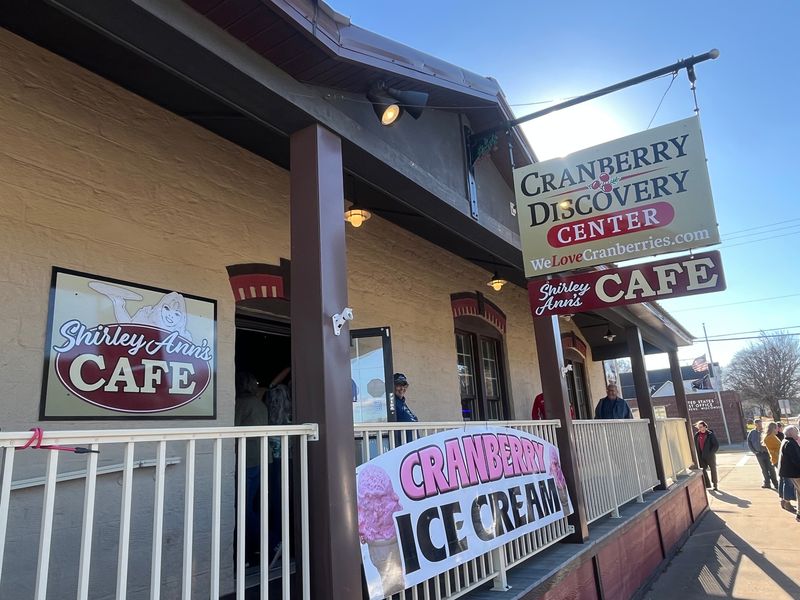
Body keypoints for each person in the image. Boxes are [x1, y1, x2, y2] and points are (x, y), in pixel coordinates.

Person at [234, 370, 268, 567]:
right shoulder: (260, 404)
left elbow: (232, 426)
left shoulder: (241, 404)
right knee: (251, 506)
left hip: (246, 461)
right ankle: (257, 547)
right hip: (261, 459)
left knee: (243, 508)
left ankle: (269, 542)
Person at [748, 419, 778, 489]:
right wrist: (754, 451)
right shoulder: (752, 433)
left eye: (760, 424)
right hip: (759, 454)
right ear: (755, 425)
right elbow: (749, 442)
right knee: (764, 469)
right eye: (757, 424)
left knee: (771, 469)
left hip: (767, 453)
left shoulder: (765, 431)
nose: (759, 426)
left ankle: (776, 484)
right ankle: (767, 483)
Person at [778, 425, 800, 521]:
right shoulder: (790, 443)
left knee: (798, 492)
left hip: (791, 473)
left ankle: (799, 513)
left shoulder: (786, 441)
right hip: (794, 473)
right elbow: (796, 460)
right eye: (796, 432)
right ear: (791, 433)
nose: (797, 434)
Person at [694, 421, 720, 491]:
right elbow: (695, 445)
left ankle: (715, 485)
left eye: (702, 427)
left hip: (710, 456)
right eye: (699, 427)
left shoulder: (710, 434)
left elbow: (716, 445)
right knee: (703, 470)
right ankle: (707, 485)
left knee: (713, 470)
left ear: (705, 426)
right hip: (701, 456)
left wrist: (711, 453)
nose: (701, 428)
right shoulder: (697, 435)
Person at [393, 373, 417, 445]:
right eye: (399, 385)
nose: (402, 388)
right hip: (402, 447)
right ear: (392, 386)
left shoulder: (401, 402)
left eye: (404, 385)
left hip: (412, 445)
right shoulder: (392, 403)